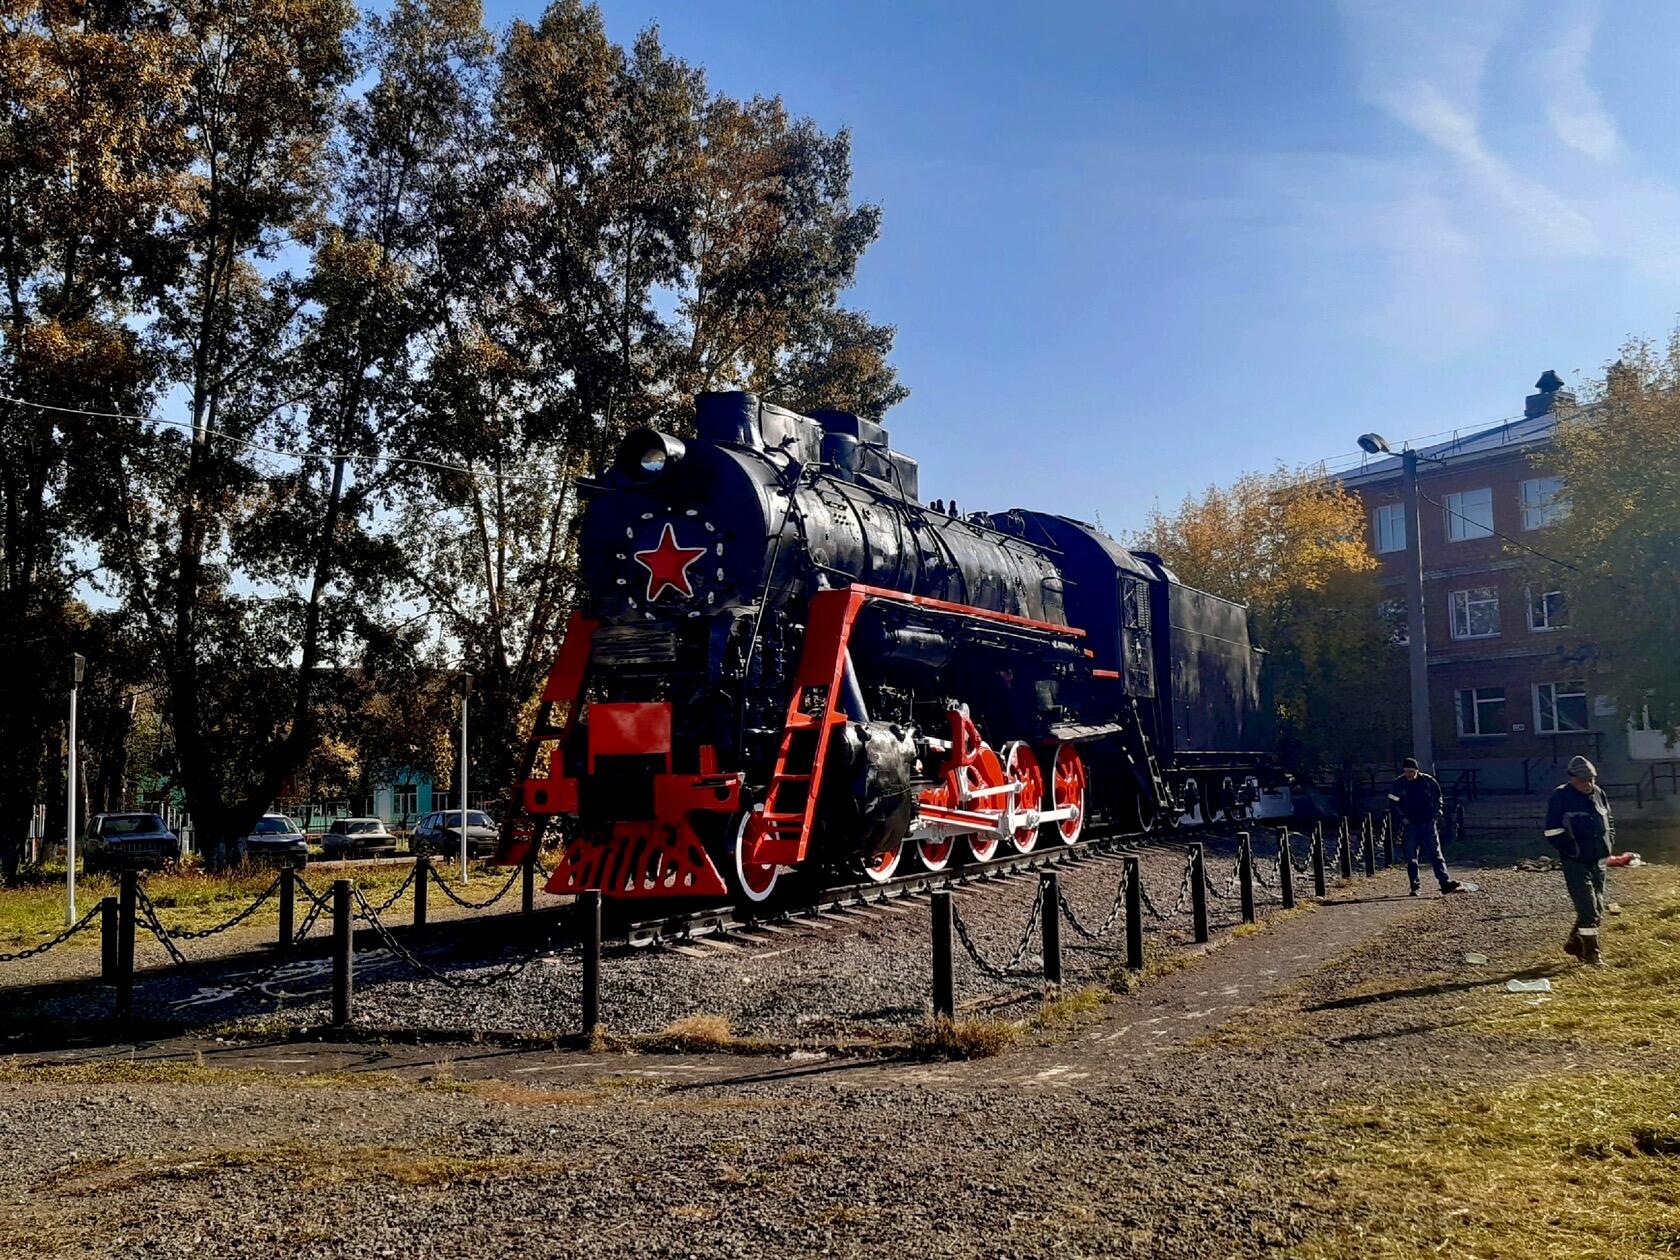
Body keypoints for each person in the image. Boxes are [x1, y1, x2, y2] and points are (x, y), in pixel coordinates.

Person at [1543, 755, 1614, 966]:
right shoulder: (1561, 796)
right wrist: (1570, 850)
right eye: (1584, 781)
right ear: (1572, 779)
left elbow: (1609, 820)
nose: (1588, 784)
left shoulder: (1599, 794)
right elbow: (1552, 830)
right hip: (1575, 861)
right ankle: (1592, 954)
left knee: (1597, 908)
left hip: (1598, 859)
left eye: (1591, 780)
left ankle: (1575, 943)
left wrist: (1609, 843)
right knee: (1588, 909)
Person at [1386, 757, 1465, 897]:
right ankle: (1414, 886)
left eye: (1410, 771)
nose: (1408, 775)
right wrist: (1402, 818)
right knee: (1411, 856)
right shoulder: (1398, 784)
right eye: (1406, 772)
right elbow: (1392, 803)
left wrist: (1436, 814)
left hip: (1428, 822)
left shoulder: (1428, 782)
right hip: (1410, 823)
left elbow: (1438, 797)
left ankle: (1444, 882)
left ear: (1416, 770)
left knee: (1435, 853)